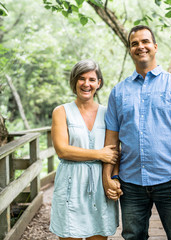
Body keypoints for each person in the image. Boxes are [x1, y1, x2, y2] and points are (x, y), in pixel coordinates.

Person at [103, 25, 171, 240]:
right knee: (133, 237)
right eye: (134, 43)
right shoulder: (118, 92)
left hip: (170, 180)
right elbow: (111, 140)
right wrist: (109, 176)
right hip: (130, 184)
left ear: (155, 47)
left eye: (145, 41)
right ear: (130, 50)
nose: (140, 47)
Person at [49, 59, 119, 240]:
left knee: (98, 236)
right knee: (69, 234)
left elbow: (115, 151)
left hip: (99, 182)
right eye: (81, 79)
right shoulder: (61, 111)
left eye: (91, 79)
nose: (86, 84)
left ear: (99, 83)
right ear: (74, 81)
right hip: (71, 182)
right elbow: (62, 150)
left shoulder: (108, 112)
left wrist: (114, 179)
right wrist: (99, 154)